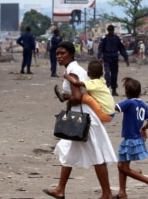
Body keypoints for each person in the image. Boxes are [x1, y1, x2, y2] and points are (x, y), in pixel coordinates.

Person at [43, 41, 116, 199]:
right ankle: (60, 189)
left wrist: (65, 97)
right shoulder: (74, 69)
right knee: (68, 151)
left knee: (97, 155)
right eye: (57, 54)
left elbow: (77, 97)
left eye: (62, 53)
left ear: (70, 53)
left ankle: (107, 193)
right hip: (81, 116)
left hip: (83, 118)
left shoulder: (73, 71)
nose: (59, 56)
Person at [114, 77, 148, 199]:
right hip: (136, 139)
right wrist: (143, 129)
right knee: (121, 165)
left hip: (130, 140)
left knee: (124, 168)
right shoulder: (142, 104)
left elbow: (115, 107)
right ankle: (122, 193)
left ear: (127, 93)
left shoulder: (129, 102)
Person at [97, 25, 129, 96]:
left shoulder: (116, 38)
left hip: (114, 59)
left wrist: (126, 58)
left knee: (114, 75)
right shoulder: (104, 39)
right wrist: (99, 57)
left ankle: (114, 90)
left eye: (112, 31)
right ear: (108, 31)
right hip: (107, 60)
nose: (111, 32)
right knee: (107, 74)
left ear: (113, 30)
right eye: (110, 31)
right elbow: (100, 48)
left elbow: (121, 48)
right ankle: (106, 89)